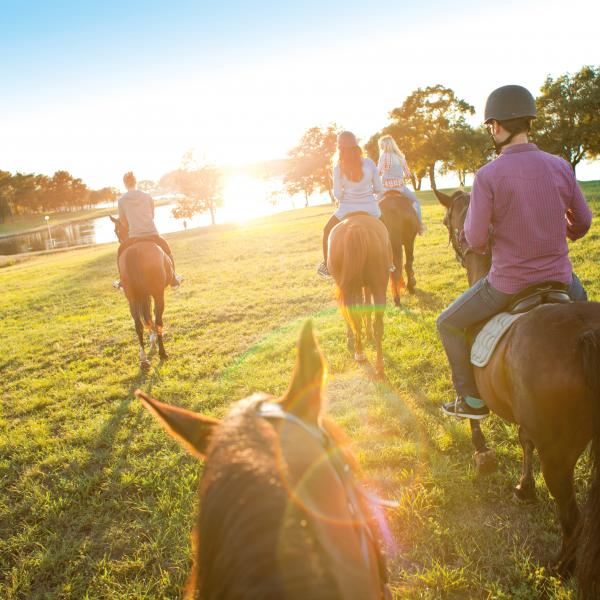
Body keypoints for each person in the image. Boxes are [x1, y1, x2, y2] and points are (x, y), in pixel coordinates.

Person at [437, 84, 592, 419]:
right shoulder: (561, 165)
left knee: (447, 323)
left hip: (508, 284)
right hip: (562, 280)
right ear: (528, 122)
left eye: (491, 126)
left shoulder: (488, 175)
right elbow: (582, 224)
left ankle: (471, 401)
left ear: (496, 126)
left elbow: (476, 241)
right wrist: (554, 229)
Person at [316, 131, 385, 279]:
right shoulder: (369, 163)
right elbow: (379, 188)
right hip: (370, 208)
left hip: (346, 209)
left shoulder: (337, 168)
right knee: (387, 229)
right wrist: (368, 191)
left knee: (327, 230)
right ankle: (390, 262)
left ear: (339, 148)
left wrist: (348, 193)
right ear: (356, 146)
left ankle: (327, 266)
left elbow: (338, 194)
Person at [113, 171, 182, 289]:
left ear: (125, 184)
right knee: (167, 249)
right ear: (136, 182)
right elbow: (152, 215)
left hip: (134, 236)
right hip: (152, 233)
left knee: (120, 253)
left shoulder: (121, 201)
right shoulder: (147, 196)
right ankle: (174, 279)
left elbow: (123, 221)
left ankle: (122, 282)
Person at [377, 135, 424, 234]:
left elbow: (378, 172)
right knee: (416, 201)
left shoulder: (383, 156)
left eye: (381, 145)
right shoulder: (400, 157)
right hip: (400, 188)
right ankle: (419, 226)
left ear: (383, 145)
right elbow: (408, 175)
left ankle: (374, 228)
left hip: (385, 188)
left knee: (373, 205)